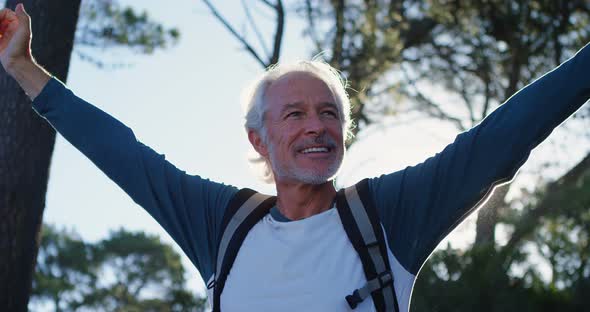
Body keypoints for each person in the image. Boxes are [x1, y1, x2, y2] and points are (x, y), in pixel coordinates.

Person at [1, 3, 589, 312]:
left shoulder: (387, 217)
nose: (317, 127)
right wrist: (26, 68)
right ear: (259, 140)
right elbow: (120, 153)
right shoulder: (223, 224)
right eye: (296, 114)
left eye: (330, 113)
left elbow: (504, 136)